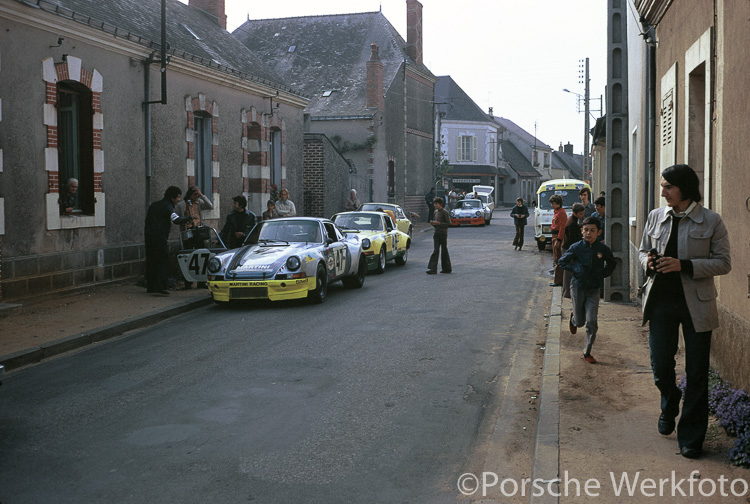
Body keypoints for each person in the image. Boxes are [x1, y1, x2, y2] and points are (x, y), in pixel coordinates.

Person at [638, 164, 731, 460]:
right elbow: (641, 251)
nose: (663, 192)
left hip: (697, 304)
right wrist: (648, 263)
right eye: (662, 186)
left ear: (684, 189)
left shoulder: (711, 221)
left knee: (697, 372)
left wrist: (685, 265)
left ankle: (691, 438)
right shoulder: (656, 216)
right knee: (660, 366)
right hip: (661, 302)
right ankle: (670, 399)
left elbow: (724, 263)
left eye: (668, 187)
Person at [559, 216, 616, 364]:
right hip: (578, 286)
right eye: (586, 230)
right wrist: (575, 268)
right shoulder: (576, 247)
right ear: (581, 231)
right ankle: (573, 319)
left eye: (592, 230)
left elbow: (612, 263)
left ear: (599, 232)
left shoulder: (602, 249)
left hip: (594, 290)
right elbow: (562, 261)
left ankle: (587, 352)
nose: (588, 233)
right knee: (580, 322)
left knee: (591, 322)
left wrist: (602, 274)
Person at [144, 186, 191, 295]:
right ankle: (161, 286)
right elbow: (176, 220)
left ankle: (150, 286)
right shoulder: (168, 206)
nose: (179, 200)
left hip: (149, 237)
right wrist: (189, 218)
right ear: (172, 197)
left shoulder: (154, 205)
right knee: (162, 261)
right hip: (160, 238)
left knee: (151, 261)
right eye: (178, 197)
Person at [176, 185, 214, 289]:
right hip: (187, 232)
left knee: (201, 255)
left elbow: (210, 206)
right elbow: (177, 218)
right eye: (195, 195)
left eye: (197, 195)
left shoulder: (199, 203)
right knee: (187, 255)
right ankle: (187, 282)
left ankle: (201, 282)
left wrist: (202, 195)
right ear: (190, 195)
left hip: (198, 231)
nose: (196, 197)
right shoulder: (181, 205)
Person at [561, 203, 585, 298]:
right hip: (568, 248)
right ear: (574, 213)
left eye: (583, 213)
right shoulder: (572, 224)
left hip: (568, 247)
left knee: (568, 272)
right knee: (568, 272)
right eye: (580, 214)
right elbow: (573, 240)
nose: (582, 215)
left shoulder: (573, 221)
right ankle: (567, 293)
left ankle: (567, 292)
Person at [426, 197, 452, 274]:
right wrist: (433, 223)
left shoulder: (445, 212)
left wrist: (439, 223)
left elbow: (448, 224)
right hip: (436, 233)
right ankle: (433, 269)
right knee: (436, 250)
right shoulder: (435, 212)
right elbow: (436, 224)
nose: (435, 205)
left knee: (444, 251)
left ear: (440, 204)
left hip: (443, 234)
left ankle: (447, 268)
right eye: (434, 204)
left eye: (436, 204)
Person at [549, 195, 567, 287]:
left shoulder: (561, 213)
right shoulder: (557, 212)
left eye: (553, 203)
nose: (551, 205)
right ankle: (558, 279)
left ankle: (558, 280)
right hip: (554, 236)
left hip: (557, 237)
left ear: (558, 203)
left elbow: (562, 227)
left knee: (558, 258)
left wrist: (559, 240)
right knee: (556, 258)